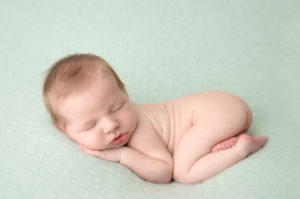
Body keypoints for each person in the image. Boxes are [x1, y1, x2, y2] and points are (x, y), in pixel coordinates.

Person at [43, 53, 268, 184]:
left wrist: (123, 155)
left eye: (117, 107)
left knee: (184, 172)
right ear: (64, 130)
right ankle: (224, 140)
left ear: (125, 93)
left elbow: (163, 171)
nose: (112, 124)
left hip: (215, 113)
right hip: (222, 107)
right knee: (190, 149)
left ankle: (241, 148)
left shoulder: (139, 127)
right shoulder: (119, 124)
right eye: (91, 125)